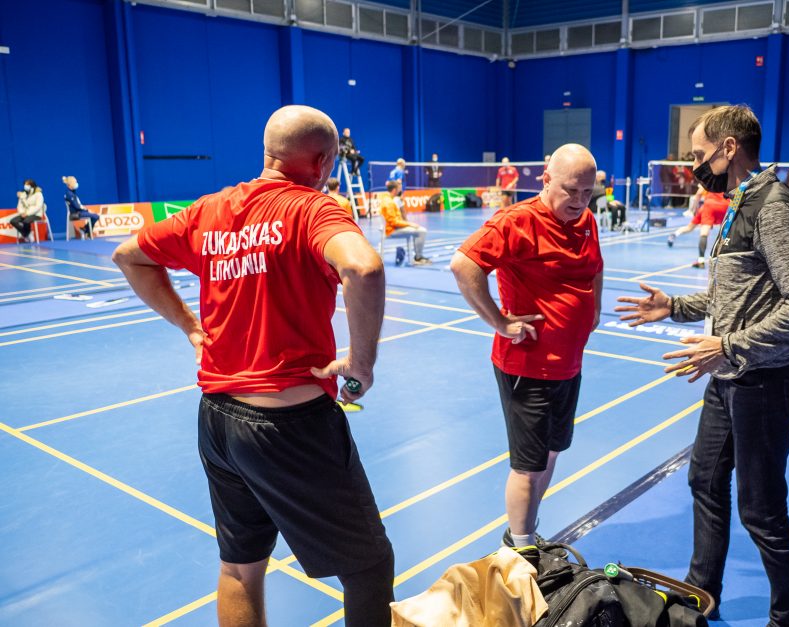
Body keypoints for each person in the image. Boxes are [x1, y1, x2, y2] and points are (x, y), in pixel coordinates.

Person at [111, 105, 394, 627]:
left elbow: (130, 255)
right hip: (290, 426)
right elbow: (364, 266)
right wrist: (362, 363)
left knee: (241, 569)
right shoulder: (313, 208)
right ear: (325, 160)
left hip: (218, 420)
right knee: (369, 567)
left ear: (267, 153)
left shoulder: (210, 210)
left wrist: (189, 327)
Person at [615, 105, 789, 627]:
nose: (695, 164)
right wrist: (676, 306)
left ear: (728, 148)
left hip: (765, 381)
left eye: (698, 154)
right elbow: (730, 294)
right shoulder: (738, 203)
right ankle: (698, 599)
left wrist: (727, 346)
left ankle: (787, 620)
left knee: (761, 510)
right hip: (728, 377)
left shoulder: (773, 207)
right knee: (705, 481)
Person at [451, 144, 603, 550]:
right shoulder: (516, 221)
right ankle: (522, 550)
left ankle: (529, 527)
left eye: (587, 192)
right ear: (546, 179)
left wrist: (595, 310)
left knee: (553, 452)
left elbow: (596, 266)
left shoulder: (587, 220)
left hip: (570, 364)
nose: (579, 201)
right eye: (571, 190)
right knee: (528, 465)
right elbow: (463, 265)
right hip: (527, 368)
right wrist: (499, 322)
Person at [667, 184, 731, 269]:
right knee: (725, 232)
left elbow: (699, 193)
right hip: (725, 206)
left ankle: (701, 261)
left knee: (700, 231)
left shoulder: (708, 177)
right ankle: (725, 261)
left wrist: (693, 209)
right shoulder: (729, 175)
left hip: (709, 206)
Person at [379, 180, 431, 266]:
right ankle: (418, 258)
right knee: (422, 231)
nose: (400, 191)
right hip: (391, 231)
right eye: (399, 189)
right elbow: (394, 222)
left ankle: (418, 256)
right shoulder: (389, 203)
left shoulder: (387, 199)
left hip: (394, 228)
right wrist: (410, 224)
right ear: (394, 190)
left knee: (418, 229)